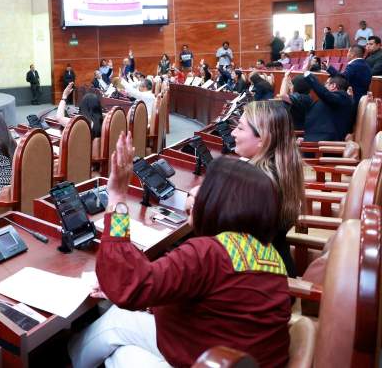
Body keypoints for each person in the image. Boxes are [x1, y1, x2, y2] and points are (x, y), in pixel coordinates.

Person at [68, 134, 290, 368]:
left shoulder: (210, 253)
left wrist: (117, 198)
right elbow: (210, 300)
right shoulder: (266, 252)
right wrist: (133, 289)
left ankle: (67, 358)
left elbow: (129, 286)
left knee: (121, 356)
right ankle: (73, 356)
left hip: (212, 359)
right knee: (120, 320)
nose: (195, 192)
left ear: (224, 202)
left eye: (206, 188)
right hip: (236, 356)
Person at [230, 101, 304, 277]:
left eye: (240, 128)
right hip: (275, 268)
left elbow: (226, 234)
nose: (233, 133)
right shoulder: (280, 168)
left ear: (262, 139)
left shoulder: (257, 182)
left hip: (259, 280)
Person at [298, 73, 354, 142]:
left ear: (333, 86)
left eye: (326, 83)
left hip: (322, 147)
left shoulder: (342, 97)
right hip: (313, 141)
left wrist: (308, 75)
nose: (324, 86)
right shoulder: (334, 100)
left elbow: (325, 94)